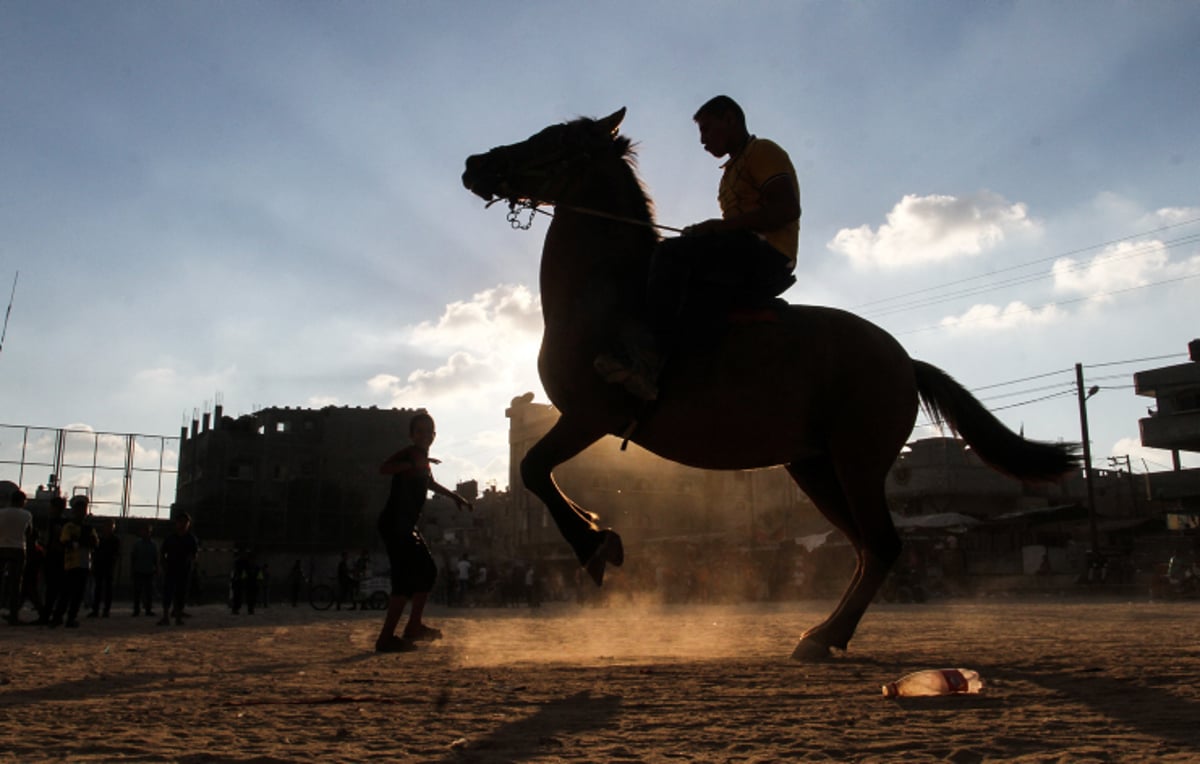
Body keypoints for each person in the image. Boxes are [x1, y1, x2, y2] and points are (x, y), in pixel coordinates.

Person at [596, 95, 802, 400]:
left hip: (769, 255)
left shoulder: (763, 151)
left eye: (707, 129)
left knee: (670, 254)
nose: (703, 140)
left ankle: (649, 360)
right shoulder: (728, 175)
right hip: (744, 252)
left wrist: (717, 228)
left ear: (730, 119)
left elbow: (786, 209)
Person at [373, 412, 472, 653]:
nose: (425, 435)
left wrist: (454, 496)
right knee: (404, 580)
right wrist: (410, 464)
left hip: (407, 526)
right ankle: (386, 638)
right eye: (420, 431)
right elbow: (384, 468)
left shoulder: (423, 459)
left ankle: (414, 626)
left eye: (429, 431)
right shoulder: (409, 454)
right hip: (395, 524)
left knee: (427, 570)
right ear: (411, 434)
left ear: (434, 435)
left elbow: (428, 482)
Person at [50, 496, 98, 628]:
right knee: (66, 592)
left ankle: (71, 618)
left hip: (83, 564)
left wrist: (78, 542)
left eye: (83, 510)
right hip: (71, 563)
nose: (81, 513)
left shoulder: (88, 528)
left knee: (77, 594)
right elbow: (66, 542)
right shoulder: (69, 526)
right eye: (79, 510)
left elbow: (94, 543)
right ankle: (58, 617)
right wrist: (80, 542)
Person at [158, 512, 199, 626]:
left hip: (184, 570)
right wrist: (163, 564)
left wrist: (191, 564)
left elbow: (194, 554)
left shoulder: (191, 539)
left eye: (185, 522)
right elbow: (163, 552)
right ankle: (166, 616)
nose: (182, 524)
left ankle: (178, 616)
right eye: (180, 522)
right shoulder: (170, 538)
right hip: (170, 569)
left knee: (181, 594)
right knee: (168, 593)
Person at [0, 489, 33, 625]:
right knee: (15, 583)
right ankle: (13, 614)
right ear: (22, 501)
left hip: (1, 547)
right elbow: (29, 532)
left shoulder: (1, 513)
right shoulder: (27, 515)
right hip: (19, 548)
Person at [37, 496, 67, 625]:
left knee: (53, 589)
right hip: (55, 557)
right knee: (55, 589)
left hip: (55, 558)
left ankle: (50, 615)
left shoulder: (58, 522)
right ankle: (52, 615)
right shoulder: (59, 521)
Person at [88, 517, 120, 618]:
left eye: (110, 526)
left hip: (109, 565)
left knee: (107, 589)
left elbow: (116, 553)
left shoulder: (114, 540)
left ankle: (106, 610)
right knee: (98, 588)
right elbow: (95, 552)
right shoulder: (100, 539)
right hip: (100, 565)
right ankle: (96, 610)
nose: (108, 528)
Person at [130, 524, 158, 617]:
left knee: (148, 592)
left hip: (149, 571)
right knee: (137, 592)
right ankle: (137, 610)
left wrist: (156, 569)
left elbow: (155, 558)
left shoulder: (153, 545)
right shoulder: (137, 544)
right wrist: (133, 569)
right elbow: (133, 557)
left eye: (147, 531)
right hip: (139, 570)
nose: (146, 533)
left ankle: (148, 609)